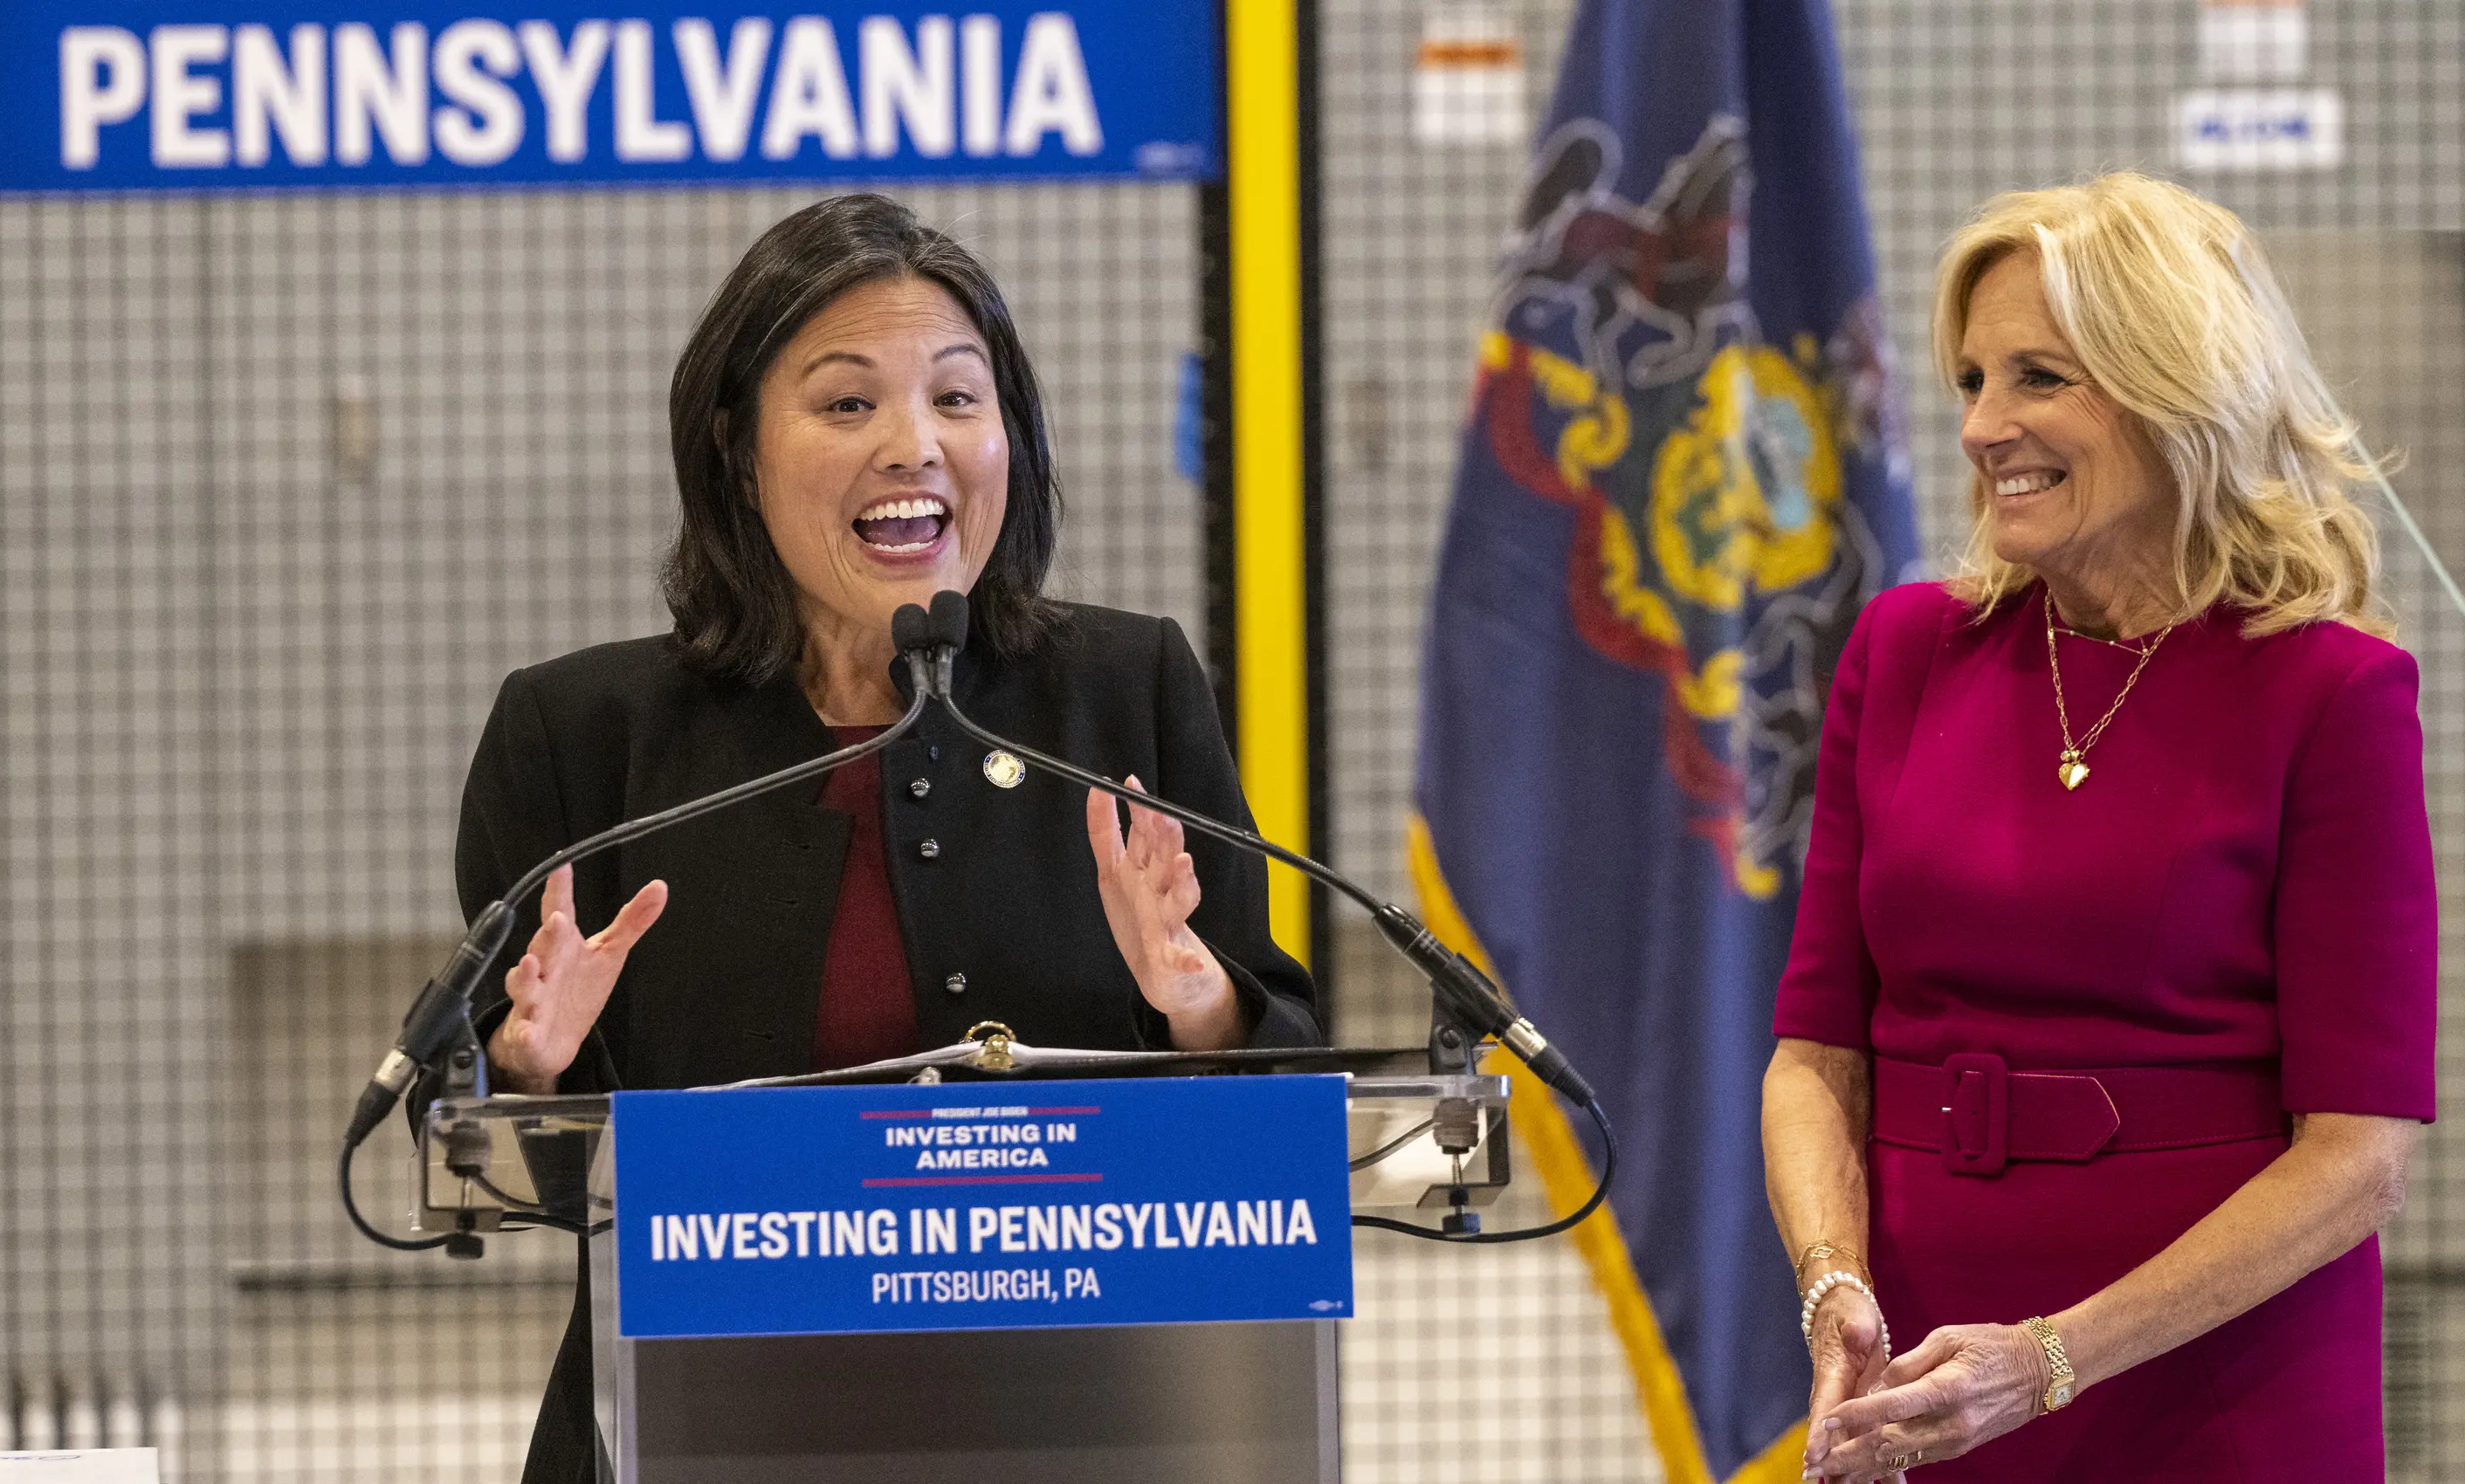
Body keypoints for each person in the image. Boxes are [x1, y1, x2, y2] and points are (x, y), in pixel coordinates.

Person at [451, 192, 1319, 1482]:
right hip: (701, 1427)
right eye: (848, 403)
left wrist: (1197, 1007)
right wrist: (528, 1072)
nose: (914, 445)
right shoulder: (583, 735)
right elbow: (489, 1148)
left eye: (957, 400)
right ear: (735, 447)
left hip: (1087, 1416)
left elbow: (1286, 1076)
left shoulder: (1122, 691)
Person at [1763, 172, 2435, 1482]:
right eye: (1968, 381)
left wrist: (2052, 1359)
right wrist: (1829, 1281)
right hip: (1928, 1380)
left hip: (2222, 1387)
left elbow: (2359, 1161)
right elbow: (1814, 1058)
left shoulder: (2332, 690)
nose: (1982, 426)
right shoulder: (1900, 651)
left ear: (2174, 390)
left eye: (2037, 378)